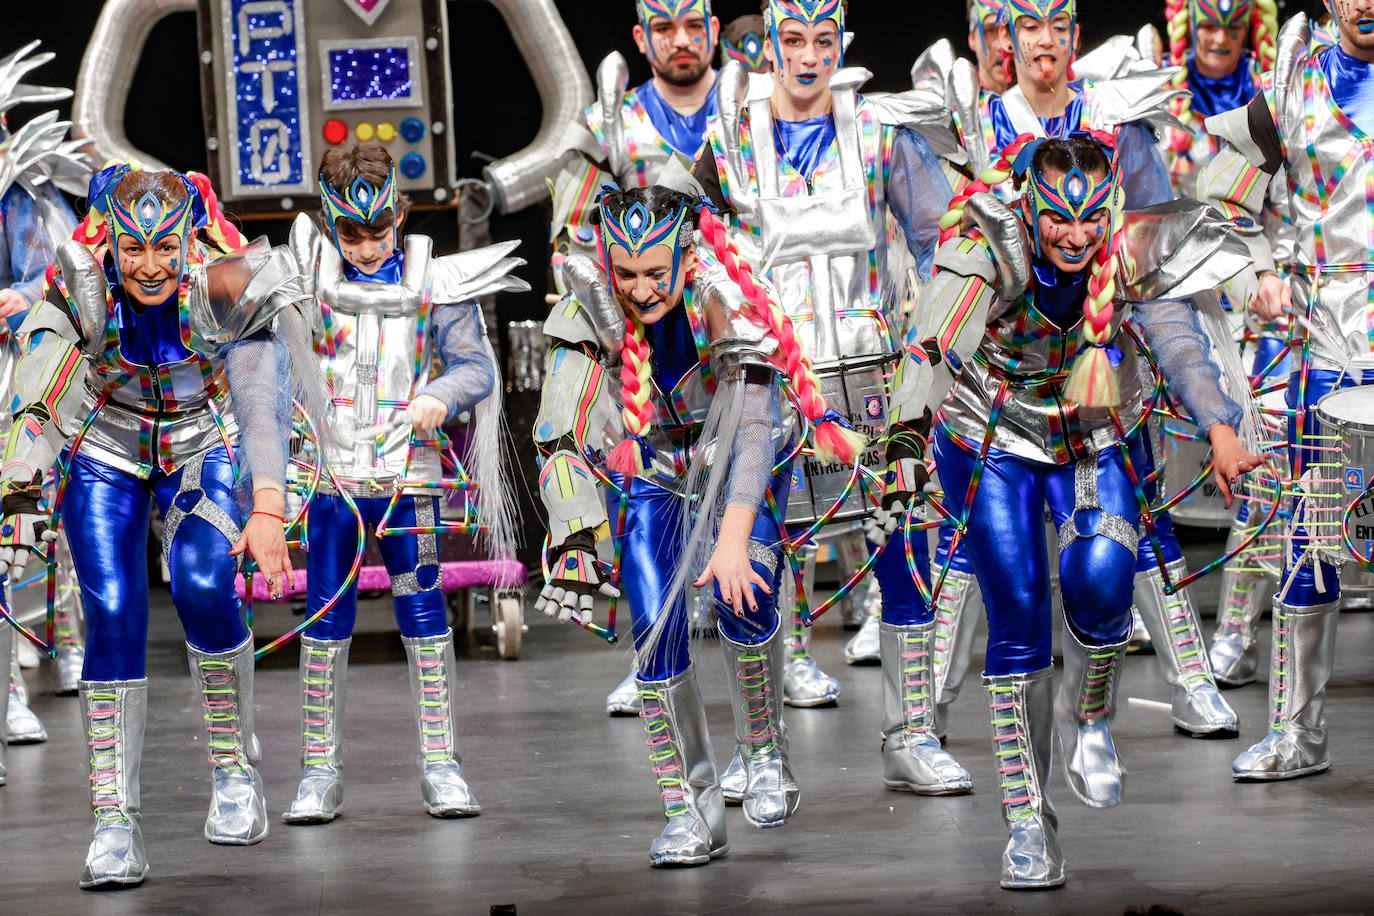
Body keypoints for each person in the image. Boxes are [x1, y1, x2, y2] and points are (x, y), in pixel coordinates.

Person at [886, 133, 1263, 888]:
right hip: (991, 434)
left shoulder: (1122, 248)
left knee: (1102, 578)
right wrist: (904, 435)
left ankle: (1088, 713)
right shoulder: (986, 242)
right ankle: (1028, 821)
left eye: (1091, 217)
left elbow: (1174, 337)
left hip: (1091, 429)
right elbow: (937, 343)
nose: (1076, 234)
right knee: (1020, 614)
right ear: (1030, 204)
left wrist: (1221, 426)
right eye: (1059, 217)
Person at [0, 164, 315, 887]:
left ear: (186, 242)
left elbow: (260, 398)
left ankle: (234, 767)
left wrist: (268, 503)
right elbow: (38, 390)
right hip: (105, 447)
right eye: (133, 249)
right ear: (108, 241)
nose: (150, 266)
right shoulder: (77, 287)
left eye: (164, 248)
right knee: (111, 610)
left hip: (200, 442)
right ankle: (114, 818)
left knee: (205, 584)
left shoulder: (227, 285)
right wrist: (17, 481)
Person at [693, 0, 972, 796]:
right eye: (793, 40)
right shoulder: (734, 135)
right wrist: (730, 328)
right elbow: (706, 247)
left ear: (841, 44)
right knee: (751, 559)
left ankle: (910, 735)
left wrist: (933, 345)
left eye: (823, 40)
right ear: (771, 44)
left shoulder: (879, 131)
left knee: (906, 551)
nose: (808, 56)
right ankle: (762, 753)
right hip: (771, 382)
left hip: (875, 372)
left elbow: (941, 242)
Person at [532, 183, 856, 864]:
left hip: (737, 453)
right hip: (653, 466)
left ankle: (763, 752)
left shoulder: (726, 296)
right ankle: (690, 810)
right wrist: (573, 528)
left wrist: (734, 540)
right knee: (653, 630)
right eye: (626, 274)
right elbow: (557, 430)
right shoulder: (587, 308)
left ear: (685, 258)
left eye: (657, 274)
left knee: (749, 588)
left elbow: (756, 430)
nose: (642, 291)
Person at [279, 143, 526, 824]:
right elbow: (268, 363)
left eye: (377, 231)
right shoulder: (304, 277)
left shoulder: (434, 279)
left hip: (409, 476)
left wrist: (441, 395)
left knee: (423, 614)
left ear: (399, 215)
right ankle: (318, 770)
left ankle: (441, 764)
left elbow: (478, 367)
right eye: (350, 232)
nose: (363, 247)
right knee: (327, 619)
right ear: (329, 222)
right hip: (331, 481)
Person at [1194, 3, 1374, 781]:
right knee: (1310, 535)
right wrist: (1260, 266)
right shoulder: (1297, 76)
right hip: (1327, 345)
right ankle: (1299, 734)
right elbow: (1226, 191)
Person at [550, 0, 721, 716]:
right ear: (641, 36)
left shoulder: (746, 108)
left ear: (713, 28)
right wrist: (607, 323)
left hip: (721, 316)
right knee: (644, 498)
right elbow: (570, 239)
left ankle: (789, 654)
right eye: (665, 27)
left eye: (693, 25)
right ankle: (651, 652)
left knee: (757, 494)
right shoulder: (606, 127)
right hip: (641, 333)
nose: (680, 41)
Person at [0, 41, 90, 755]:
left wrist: (23, 297)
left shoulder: (27, 187)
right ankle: (9, 689)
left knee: (39, 512)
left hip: (24, 366)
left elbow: (66, 268)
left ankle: (67, 646)